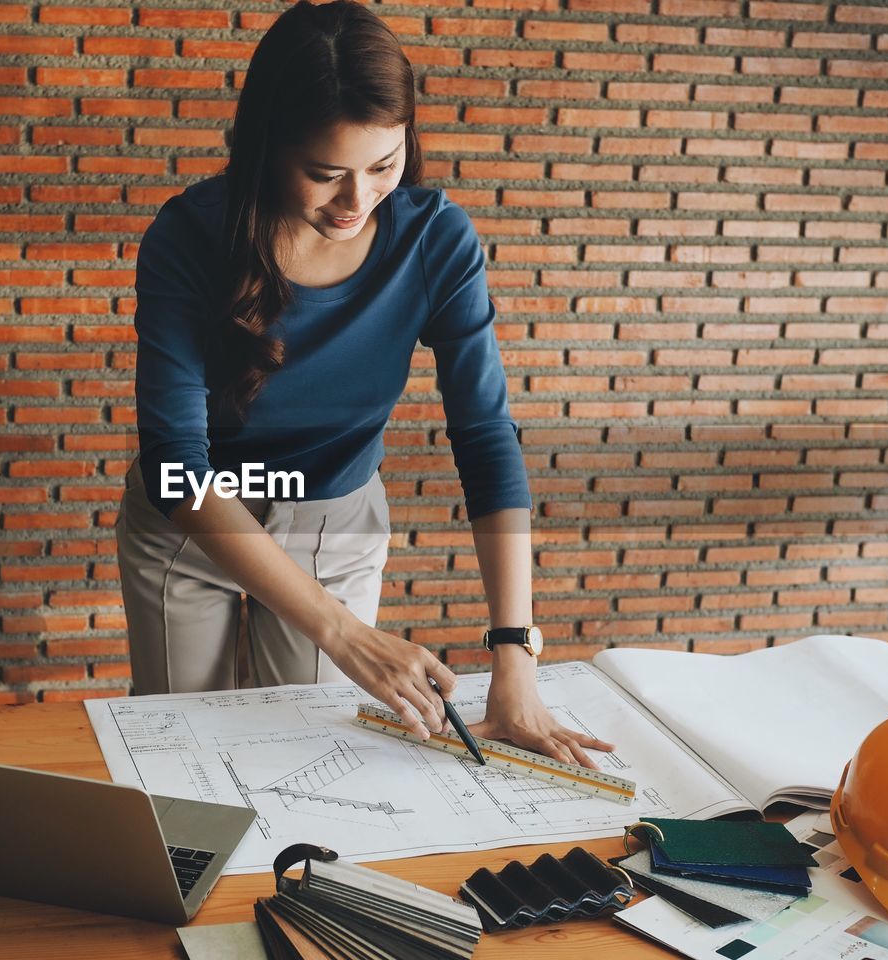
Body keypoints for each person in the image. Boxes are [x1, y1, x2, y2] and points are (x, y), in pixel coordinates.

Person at [116, 0, 614, 768]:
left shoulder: (436, 239)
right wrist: (344, 633)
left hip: (333, 524)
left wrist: (514, 657)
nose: (357, 202)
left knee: (310, 757)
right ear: (268, 147)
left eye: (382, 167)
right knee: (186, 759)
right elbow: (178, 467)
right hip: (195, 525)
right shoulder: (187, 238)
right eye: (325, 174)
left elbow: (485, 439)